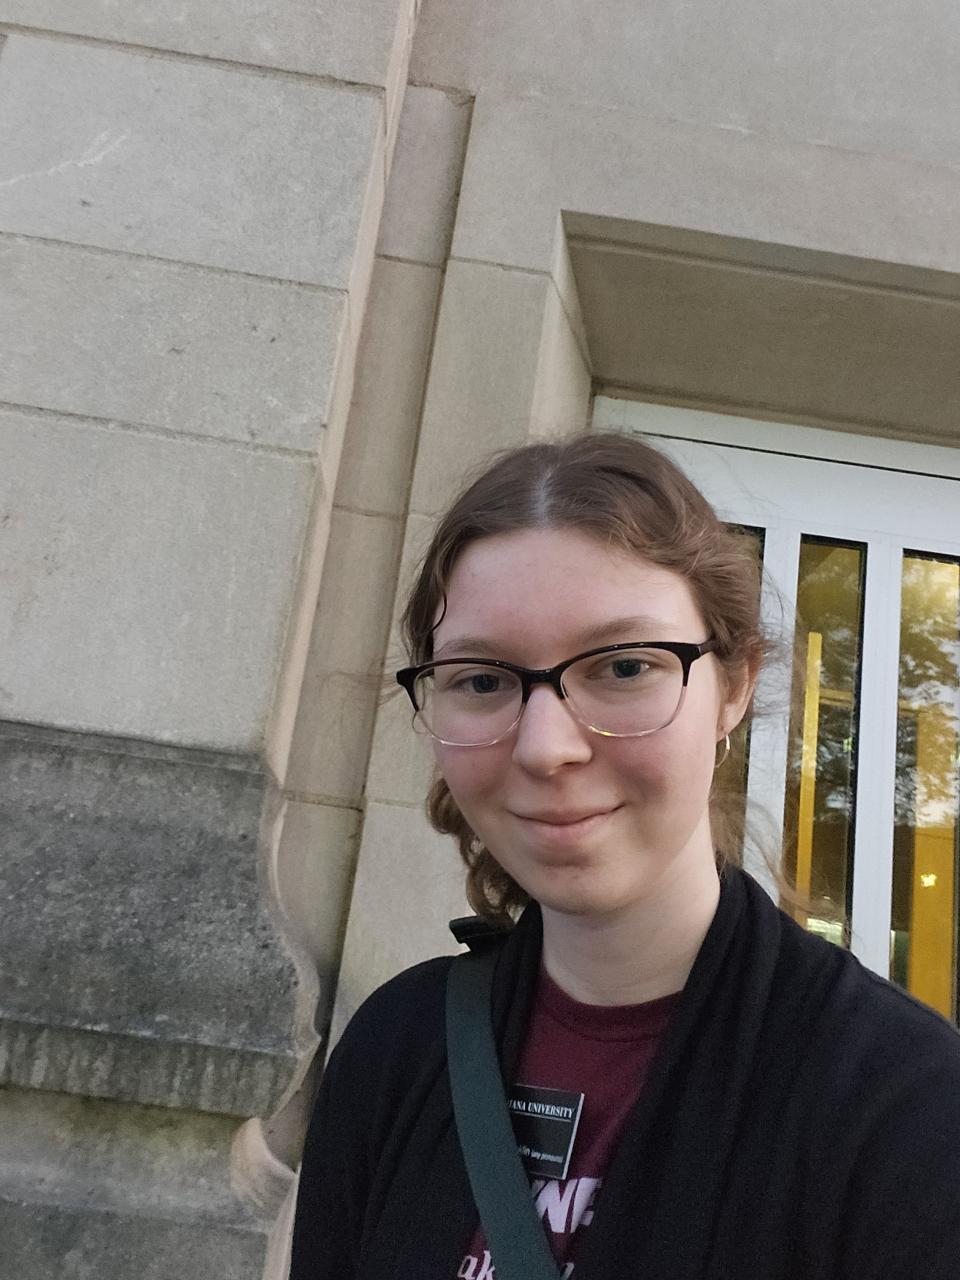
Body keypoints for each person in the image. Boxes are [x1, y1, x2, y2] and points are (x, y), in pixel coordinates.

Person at [289, 431, 960, 1279]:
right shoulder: (395, 1050)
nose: (546, 748)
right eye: (482, 680)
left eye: (625, 667)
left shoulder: (903, 1109)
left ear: (736, 685)